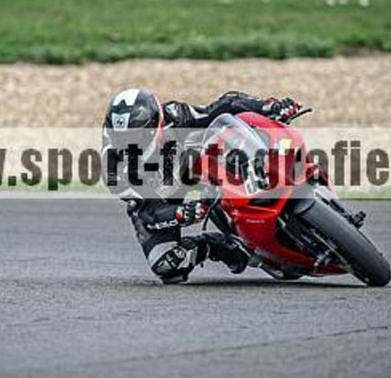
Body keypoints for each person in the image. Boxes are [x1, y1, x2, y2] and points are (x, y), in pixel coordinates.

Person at [102, 87, 302, 284]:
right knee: (167, 264)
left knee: (228, 126)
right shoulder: (114, 170)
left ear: (155, 124)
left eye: (135, 136)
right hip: (160, 198)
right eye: (121, 137)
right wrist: (180, 213)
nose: (128, 144)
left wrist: (268, 106)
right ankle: (218, 245)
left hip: (192, 162)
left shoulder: (174, 115)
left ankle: (271, 163)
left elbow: (225, 105)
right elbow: (150, 214)